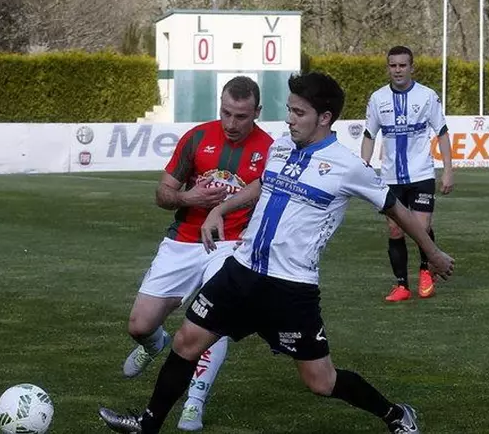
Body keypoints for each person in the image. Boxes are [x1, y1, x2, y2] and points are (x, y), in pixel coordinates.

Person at [98, 72, 454, 434]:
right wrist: (221, 208)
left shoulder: (348, 166)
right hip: (240, 271)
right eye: (289, 110)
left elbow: (396, 209)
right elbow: (262, 183)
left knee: (321, 381)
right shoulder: (281, 147)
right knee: (186, 341)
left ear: (324, 117)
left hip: (290, 288)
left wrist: (433, 253)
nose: (289, 119)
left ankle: (396, 415)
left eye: (299, 112)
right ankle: (147, 424)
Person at [121, 76, 273, 431]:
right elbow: (162, 194)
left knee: (210, 319)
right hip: (184, 240)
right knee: (139, 325)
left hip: (232, 245)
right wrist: (187, 197)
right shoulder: (197, 138)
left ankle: (194, 402)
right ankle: (155, 343)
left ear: (257, 112)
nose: (231, 123)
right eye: (226, 113)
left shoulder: (269, 149)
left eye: (241, 116)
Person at [362, 46, 454, 302]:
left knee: (421, 228)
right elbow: (369, 135)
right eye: (393, 65)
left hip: (421, 174)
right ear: (388, 68)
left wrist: (448, 170)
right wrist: (363, 166)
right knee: (395, 230)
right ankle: (401, 285)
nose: (398, 70)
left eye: (403, 65)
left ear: (412, 67)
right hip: (390, 177)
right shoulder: (378, 98)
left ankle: (426, 271)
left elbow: (442, 132)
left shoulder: (427, 96)